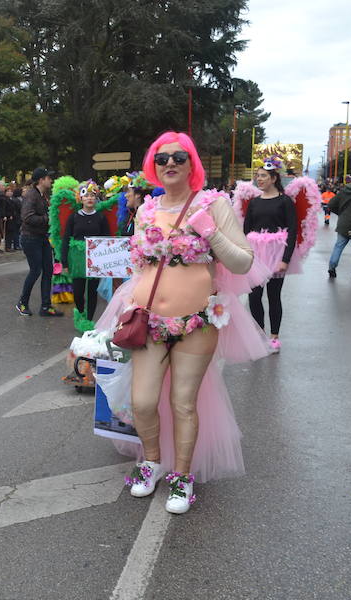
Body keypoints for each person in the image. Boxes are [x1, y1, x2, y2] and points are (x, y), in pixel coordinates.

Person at [96, 131, 263, 514]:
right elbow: (140, 265)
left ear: (192, 164)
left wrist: (209, 232)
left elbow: (243, 262)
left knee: (183, 403)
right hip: (149, 321)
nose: (169, 163)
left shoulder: (214, 204)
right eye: (161, 158)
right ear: (153, 167)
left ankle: (182, 477)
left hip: (196, 323)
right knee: (142, 401)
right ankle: (152, 462)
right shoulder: (146, 210)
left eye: (178, 157)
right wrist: (127, 301)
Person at [244, 158, 297, 353]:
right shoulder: (254, 202)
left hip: (276, 254)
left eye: (263, 176)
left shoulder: (285, 201)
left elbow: (292, 231)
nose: (259, 179)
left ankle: (274, 337)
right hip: (256, 256)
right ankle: (260, 335)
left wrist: (285, 259)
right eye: (258, 176)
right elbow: (246, 230)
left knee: (274, 297)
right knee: (254, 297)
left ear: (274, 178)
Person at [61, 180, 110, 329]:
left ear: (96, 198)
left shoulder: (101, 217)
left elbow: (106, 239)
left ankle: (89, 321)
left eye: (92, 195)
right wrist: (64, 262)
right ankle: (81, 314)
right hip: (77, 259)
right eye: (86, 195)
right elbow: (66, 239)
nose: (89, 198)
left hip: (95, 259)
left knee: (92, 291)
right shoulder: (74, 217)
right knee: (78, 291)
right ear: (80, 198)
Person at [16, 167, 63, 317]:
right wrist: (48, 218)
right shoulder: (31, 195)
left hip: (42, 237)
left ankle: (45, 306)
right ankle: (22, 303)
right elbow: (27, 217)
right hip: (30, 238)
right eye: (48, 178)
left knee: (48, 270)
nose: (51, 180)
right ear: (41, 180)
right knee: (36, 270)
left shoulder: (42, 195)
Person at [5, 185, 22, 251]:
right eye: (8, 191)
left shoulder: (12, 199)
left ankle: (11, 246)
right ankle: (8, 246)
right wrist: (9, 215)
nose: (10, 192)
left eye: (11, 191)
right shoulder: (6, 200)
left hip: (14, 217)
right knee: (9, 233)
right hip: (9, 218)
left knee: (13, 232)